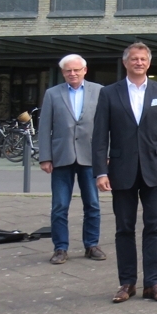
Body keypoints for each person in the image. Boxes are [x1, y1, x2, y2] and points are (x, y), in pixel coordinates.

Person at [92, 43, 157, 304]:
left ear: (149, 63)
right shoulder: (109, 93)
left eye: (143, 59)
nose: (138, 62)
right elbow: (100, 136)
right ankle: (127, 283)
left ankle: (153, 284)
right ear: (125, 63)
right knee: (124, 228)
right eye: (134, 59)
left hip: (156, 171)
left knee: (154, 227)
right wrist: (100, 172)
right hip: (121, 171)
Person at [38, 54, 105, 265]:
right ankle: (60, 248)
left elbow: (107, 126)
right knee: (59, 206)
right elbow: (44, 127)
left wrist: (105, 154)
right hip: (61, 156)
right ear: (63, 73)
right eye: (68, 70)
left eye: (76, 70)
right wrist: (45, 157)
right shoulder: (52, 93)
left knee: (93, 204)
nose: (72, 73)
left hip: (90, 156)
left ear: (85, 70)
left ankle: (91, 245)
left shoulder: (99, 91)